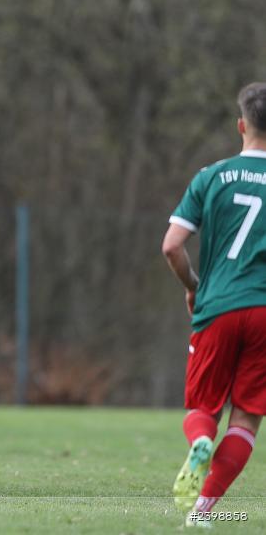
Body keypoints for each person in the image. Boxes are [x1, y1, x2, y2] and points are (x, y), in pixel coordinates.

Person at [162, 82, 266, 527]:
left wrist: (193, 286)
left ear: (240, 125)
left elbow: (172, 247)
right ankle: (203, 512)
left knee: (202, 410)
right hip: (264, 313)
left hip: (217, 306)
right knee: (246, 419)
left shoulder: (212, 176)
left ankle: (200, 442)